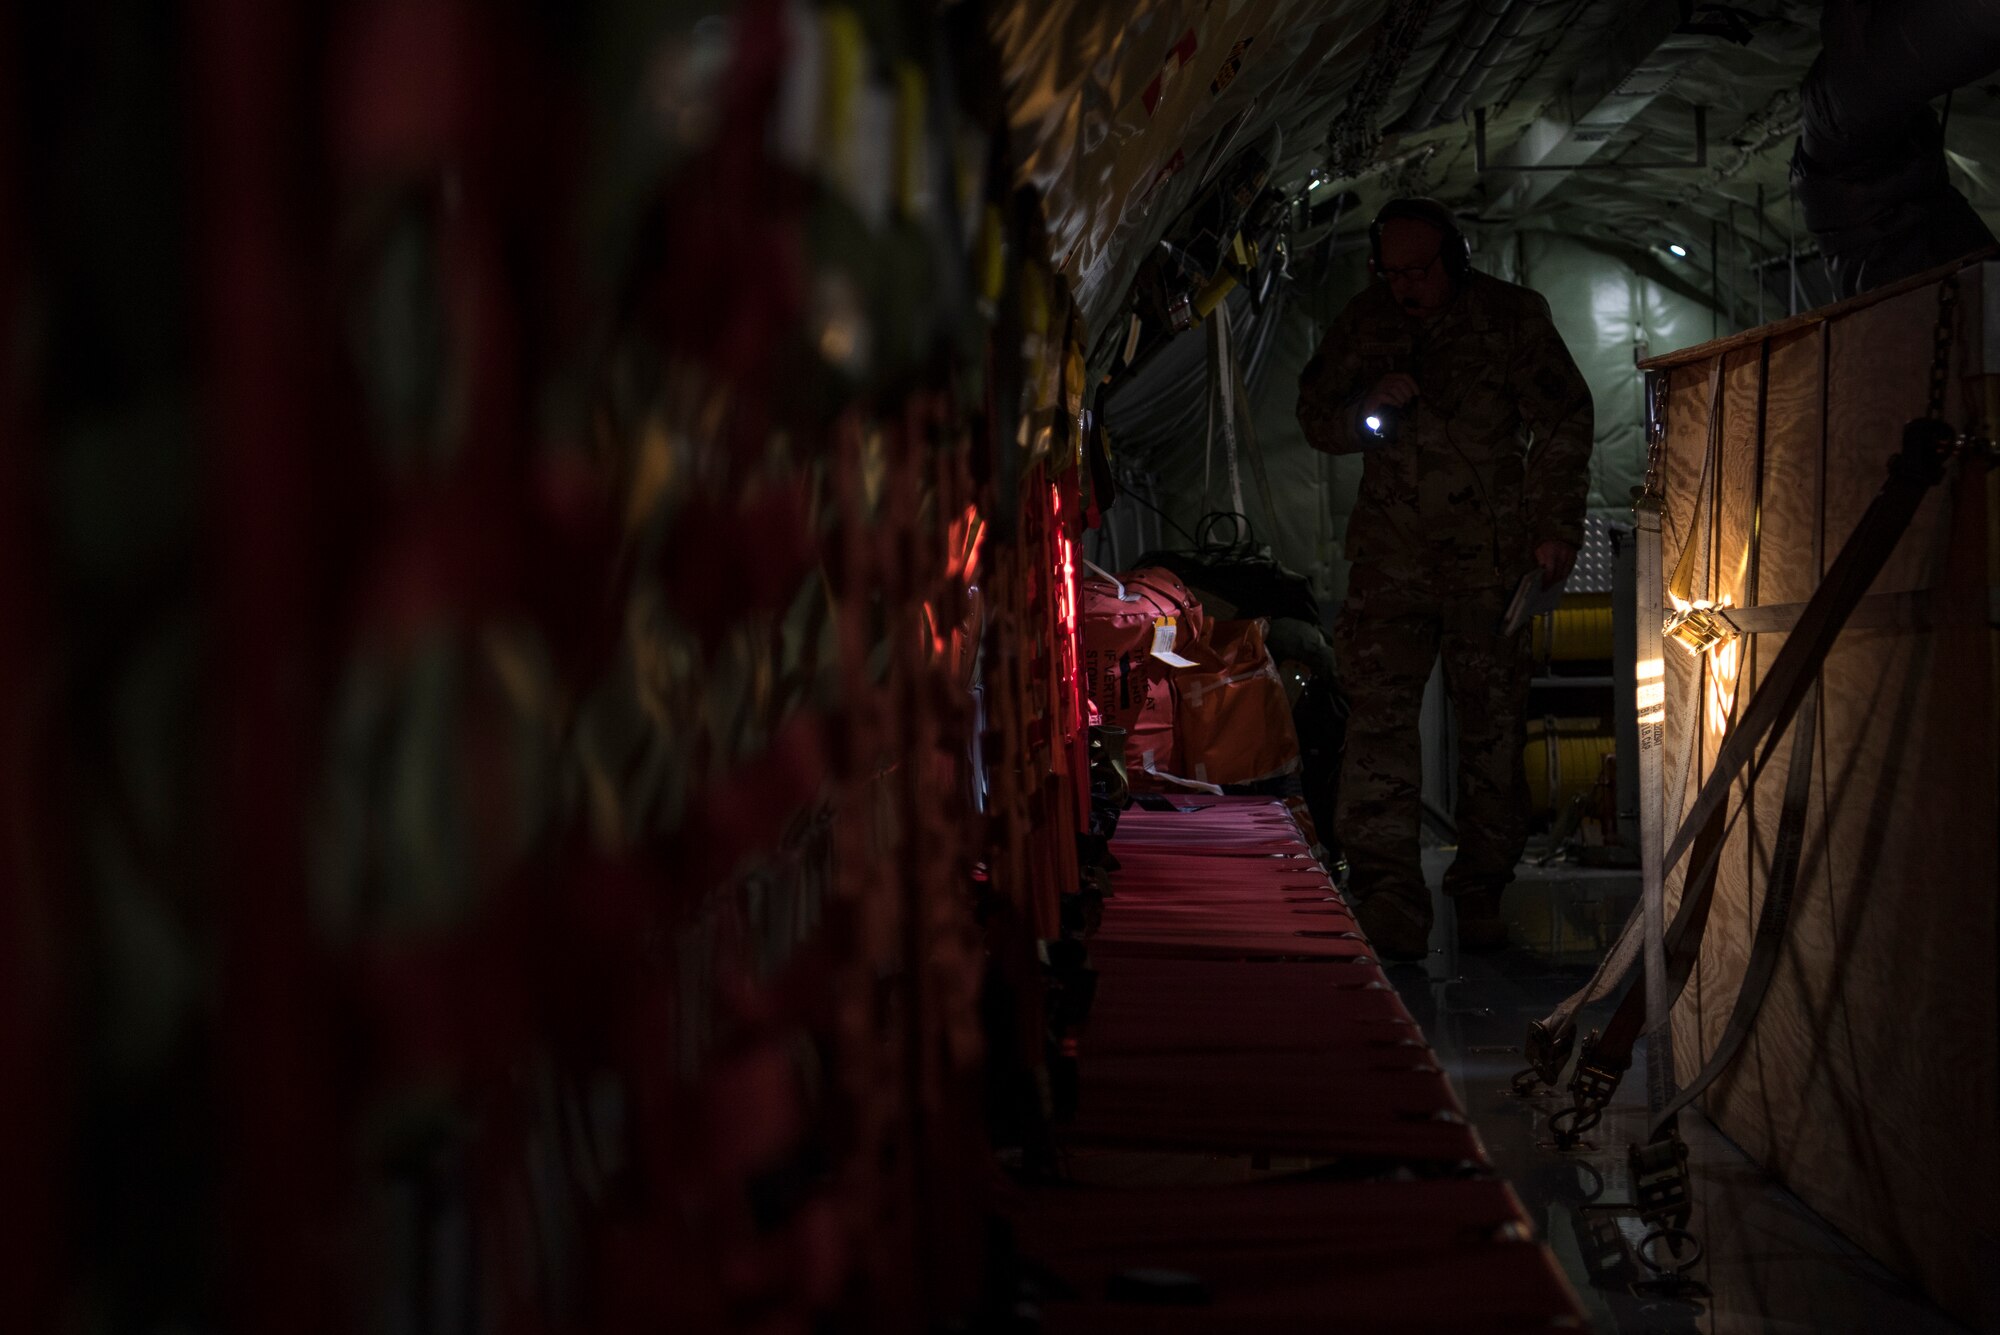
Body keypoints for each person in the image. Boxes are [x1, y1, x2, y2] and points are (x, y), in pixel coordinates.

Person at [1295, 197, 1593, 961]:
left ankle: (1483, 888)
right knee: (1378, 727)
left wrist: (1555, 525)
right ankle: (1387, 895)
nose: (1406, 288)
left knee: (1492, 730)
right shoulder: (1367, 324)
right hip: (1392, 565)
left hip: (1488, 565)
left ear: (1454, 259)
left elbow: (1563, 417)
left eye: (1420, 270)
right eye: (1391, 273)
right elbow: (1315, 416)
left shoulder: (1511, 320)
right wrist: (1365, 404)